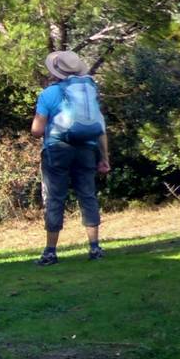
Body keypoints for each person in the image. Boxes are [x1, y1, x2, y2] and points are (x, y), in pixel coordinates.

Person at [30, 50, 111, 266]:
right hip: (86, 149)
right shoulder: (88, 92)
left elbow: (37, 130)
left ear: (55, 72)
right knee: (87, 195)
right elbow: (100, 127)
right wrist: (104, 158)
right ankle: (94, 248)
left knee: (55, 198)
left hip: (57, 149)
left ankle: (50, 252)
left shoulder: (49, 94)